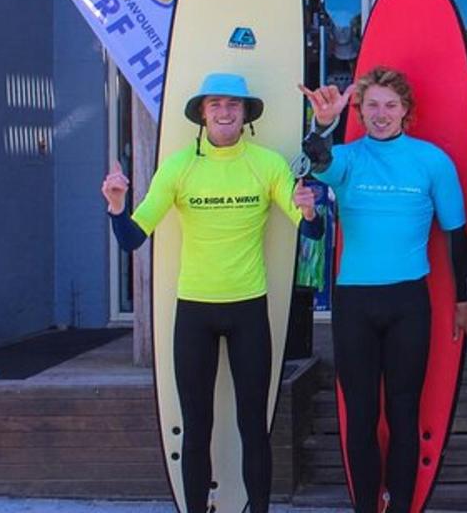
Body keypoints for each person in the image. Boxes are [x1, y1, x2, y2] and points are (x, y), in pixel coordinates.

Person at [100, 72, 321, 513]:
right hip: (195, 312)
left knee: (253, 426)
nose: (224, 112)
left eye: (233, 105)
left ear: (245, 115)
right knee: (197, 425)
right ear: (202, 112)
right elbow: (132, 238)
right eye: (216, 104)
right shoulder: (180, 166)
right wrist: (118, 207)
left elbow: (310, 233)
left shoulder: (267, 164)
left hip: (249, 311)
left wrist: (311, 212)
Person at [299, 67, 467, 513]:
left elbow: (457, 234)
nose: (381, 115)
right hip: (354, 302)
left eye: (390, 105)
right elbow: (314, 160)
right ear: (359, 110)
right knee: (359, 416)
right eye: (372, 105)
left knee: (402, 414)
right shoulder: (348, 159)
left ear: (406, 112)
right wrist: (324, 124)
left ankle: (398, 506)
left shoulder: (431, 161)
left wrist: (464, 299)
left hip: (407, 304)